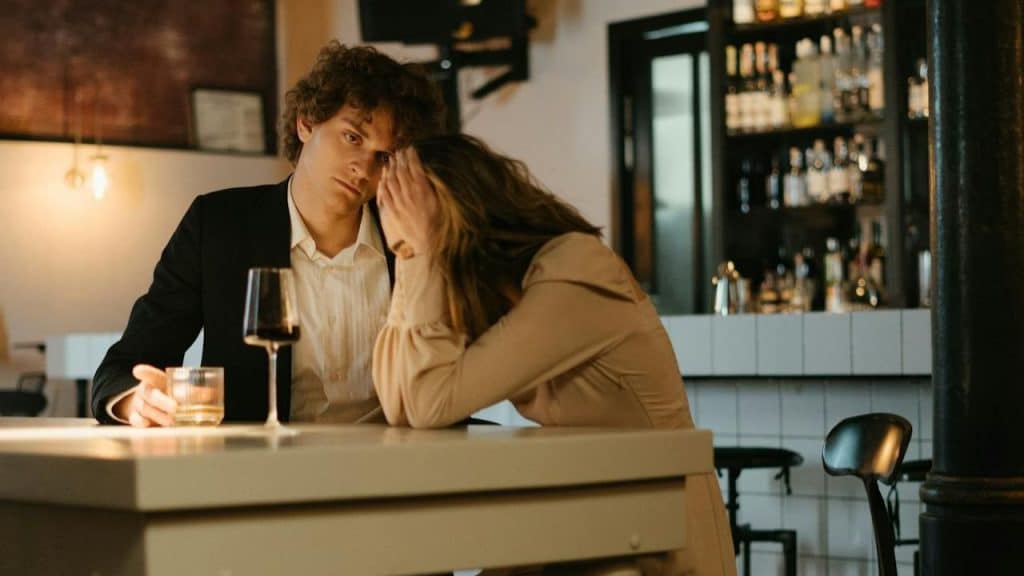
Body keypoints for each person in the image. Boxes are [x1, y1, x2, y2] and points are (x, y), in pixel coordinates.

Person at [372, 134, 735, 575]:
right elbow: (400, 404)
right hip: (587, 510)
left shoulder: (574, 267)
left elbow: (430, 403)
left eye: (413, 231)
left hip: (658, 520)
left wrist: (425, 252)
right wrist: (410, 256)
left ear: (462, 213)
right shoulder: (497, 294)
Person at [92, 42, 446, 426]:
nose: (364, 167)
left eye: (384, 156)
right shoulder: (218, 225)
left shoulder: (416, 238)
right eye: (353, 138)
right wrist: (137, 400)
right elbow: (124, 366)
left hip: (395, 468)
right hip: (258, 473)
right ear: (306, 123)